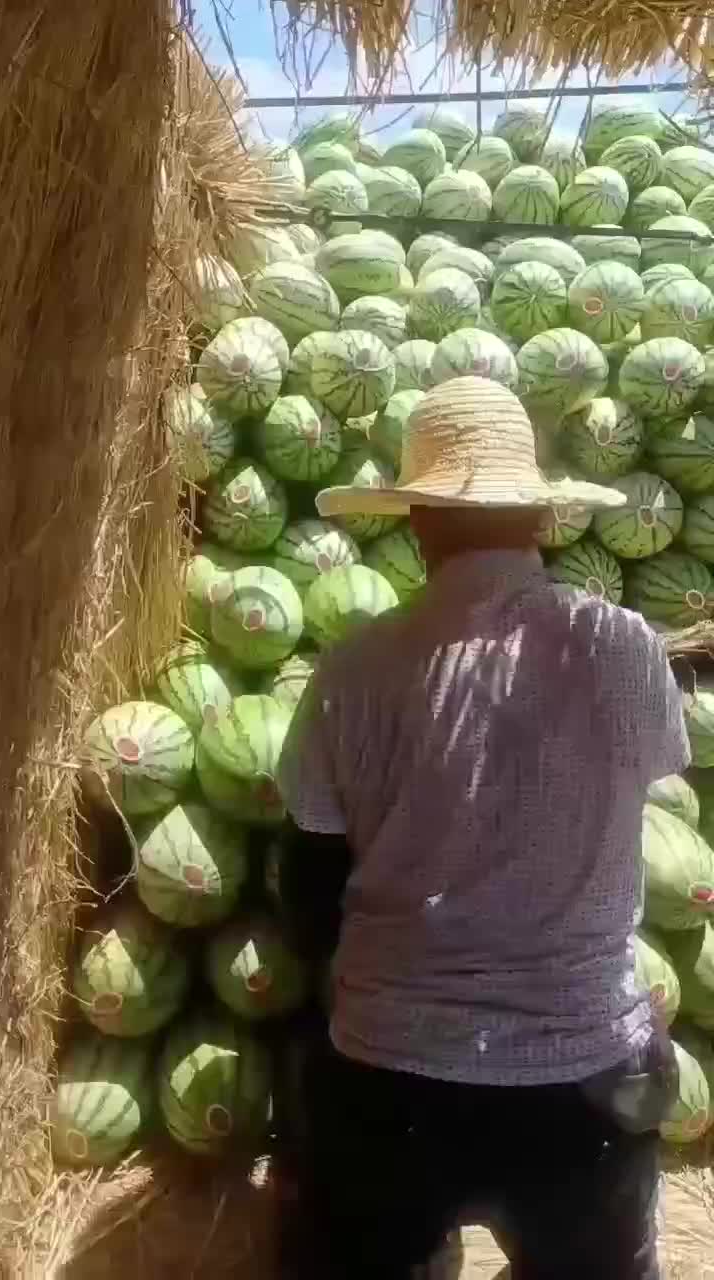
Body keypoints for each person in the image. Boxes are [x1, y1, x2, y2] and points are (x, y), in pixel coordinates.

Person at [275, 375, 687, 1280]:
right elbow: (642, 789)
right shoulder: (621, 647)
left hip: (392, 1085)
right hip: (583, 1087)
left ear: (416, 523)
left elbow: (308, 880)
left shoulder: (353, 668)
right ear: (542, 520)